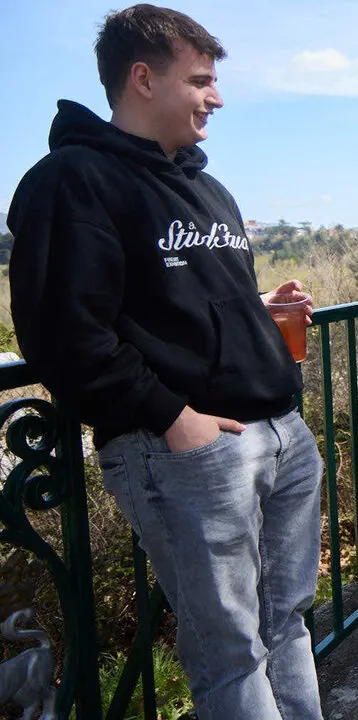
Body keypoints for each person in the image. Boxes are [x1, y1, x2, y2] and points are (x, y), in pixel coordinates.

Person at [7, 6, 323, 717]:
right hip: (188, 453)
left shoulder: (207, 188)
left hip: (279, 438)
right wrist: (174, 419)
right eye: (201, 80)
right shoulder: (72, 181)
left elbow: (175, 293)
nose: (216, 97)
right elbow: (64, 333)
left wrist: (257, 305)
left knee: (287, 627)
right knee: (231, 652)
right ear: (142, 79)